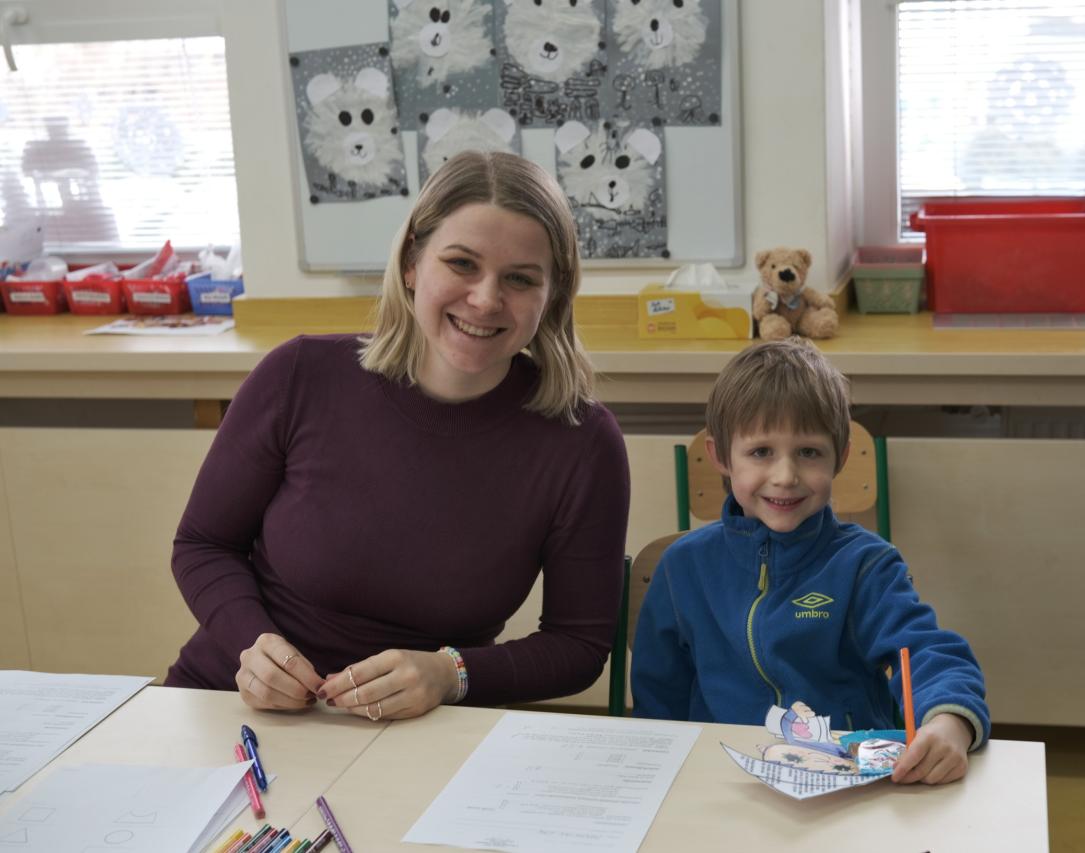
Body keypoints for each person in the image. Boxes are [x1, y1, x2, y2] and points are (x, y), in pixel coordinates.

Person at [166, 151, 630, 722]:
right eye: (462, 264)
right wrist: (251, 646)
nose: (486, 299)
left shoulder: (582, 442)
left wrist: (452, 674)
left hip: (420, 735)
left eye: (520, 278)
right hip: (232, 703)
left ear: (553, 294)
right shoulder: (299, 375)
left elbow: (578, 646)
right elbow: (203, 544)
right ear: (412, 263)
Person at [630, 339, 987, 785]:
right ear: (720, 456)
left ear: (840, 456)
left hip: (849, 781)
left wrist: (951, 723)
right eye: (761, 452)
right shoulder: (682, 567)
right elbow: (658, 702)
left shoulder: (866, 565)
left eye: (809, 452)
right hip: (723, 781)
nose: (785, 476)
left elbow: (928, 652)